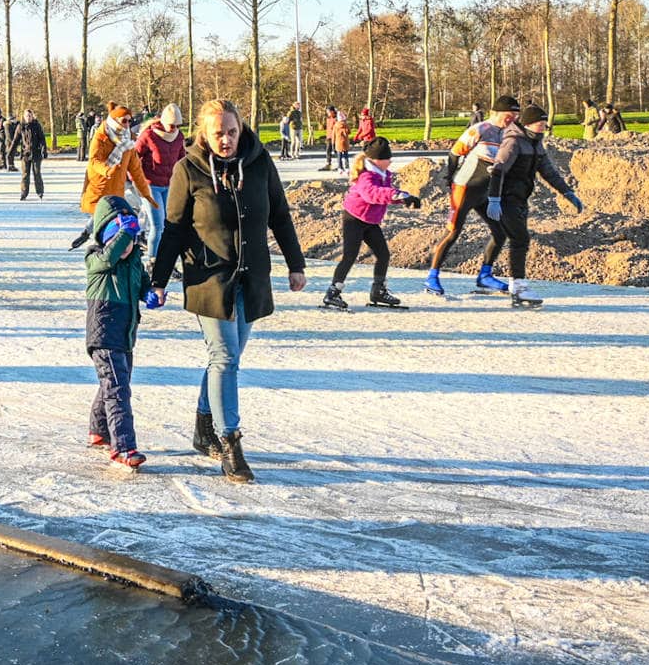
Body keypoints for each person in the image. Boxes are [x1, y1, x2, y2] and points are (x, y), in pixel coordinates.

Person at [149, 99, 306, 484]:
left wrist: (295, 263)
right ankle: (230, 442)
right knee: (224, 357)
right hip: (208, 278)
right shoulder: (188, 170)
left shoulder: (259, 163)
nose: (226, 140)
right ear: (204, 133)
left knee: (229, 357)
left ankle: (204, 425)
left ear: (241, 129)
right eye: (218, 133)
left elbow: (280, 215)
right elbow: (173, 229)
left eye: (232, 132)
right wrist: (159, 278)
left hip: (251, 277)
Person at [486, 105, 585, 309]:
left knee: (512, 238)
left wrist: (567, 192)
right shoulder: (513, 142)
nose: (544, 127)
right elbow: (498, 170)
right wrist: (494, 199)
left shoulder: (536, 144)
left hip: (521, 198)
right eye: (541, 123)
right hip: (506, 197)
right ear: (530, 123)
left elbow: (548, 172)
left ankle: (507, 283)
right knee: (520, 239)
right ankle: (519, 287)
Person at [426, 96, 521, 297]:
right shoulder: (480, 129)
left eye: (515, 116)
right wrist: (449, 178)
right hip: (465, 187)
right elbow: (454, 153)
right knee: (453, 232)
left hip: (487, 192)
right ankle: (432, 277)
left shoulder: (512, 134)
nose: (511, 119)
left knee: (500, 231)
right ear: (495, 113)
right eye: (508, 116)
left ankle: (485, 276)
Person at [82, 194, 150, 471]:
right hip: (104, 333)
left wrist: (151, 295)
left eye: (130, 240)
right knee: (118, 388)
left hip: (125, 333)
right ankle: (123, 446)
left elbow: (144, 284)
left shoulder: (134, 262)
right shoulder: (96, 259)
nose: (124, 246)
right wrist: (125, 232)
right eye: (118, 238)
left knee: (113, 384)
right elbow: (110, 256)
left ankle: (99, 430)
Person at [321, 137, 423, 310]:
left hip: (370, 221)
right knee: (349, 256)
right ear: (377, 161)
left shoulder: (383, 175)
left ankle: (378, 291)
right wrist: (396, 195)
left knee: (383, 254)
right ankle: (332, 292)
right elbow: (372, 194)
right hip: (353, 218)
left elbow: (385, 194)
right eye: (387, 158)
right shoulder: (366, 176)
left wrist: (406, 197)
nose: (391, 161)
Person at [72, 106, 151, 249]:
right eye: (124, 121)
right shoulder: (102, 136)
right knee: (104, 209)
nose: (127, 124)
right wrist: (107, 170)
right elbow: (94, 160)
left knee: (143, 204)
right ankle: (90, 233)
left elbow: (135, 161)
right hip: (107, 178)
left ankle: (140, 234)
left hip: (125, 177)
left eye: (129, 121)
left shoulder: (130, 136)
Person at [135, 104, 185, 257]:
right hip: (150, 185)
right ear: (163, 121)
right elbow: (133, 158)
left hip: (169, 185)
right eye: (171, 125)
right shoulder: (149, 135)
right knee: (158, 226)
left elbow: (182, 160)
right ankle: (153, 260)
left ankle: (164, 259)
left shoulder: (179, 136)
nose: (174, 128)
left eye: (177, 125)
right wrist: (137, 180)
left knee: (169, 225)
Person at [11, 107, 48, 200]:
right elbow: (15, 140)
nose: (28, 117)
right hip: (25, 154)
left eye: (30, 116)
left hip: (36, 153)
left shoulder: (37, 126)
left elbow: (42, 139)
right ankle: (24, 193)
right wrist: (10, 151)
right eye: (27, 116)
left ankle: (40, 192)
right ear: (24, 116)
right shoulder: (21, 126)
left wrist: (44, 150)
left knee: (37, 173)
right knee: (25, 174)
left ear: (32, 116)